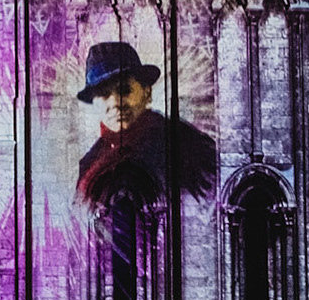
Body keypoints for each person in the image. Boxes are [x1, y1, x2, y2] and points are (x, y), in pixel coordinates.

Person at [74, 42, 217, 210]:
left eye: (125, 90)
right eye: (104, 94)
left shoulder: (186, 145)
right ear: (94, 103)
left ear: (147, 93)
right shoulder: (89, 163)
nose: (115, 103)